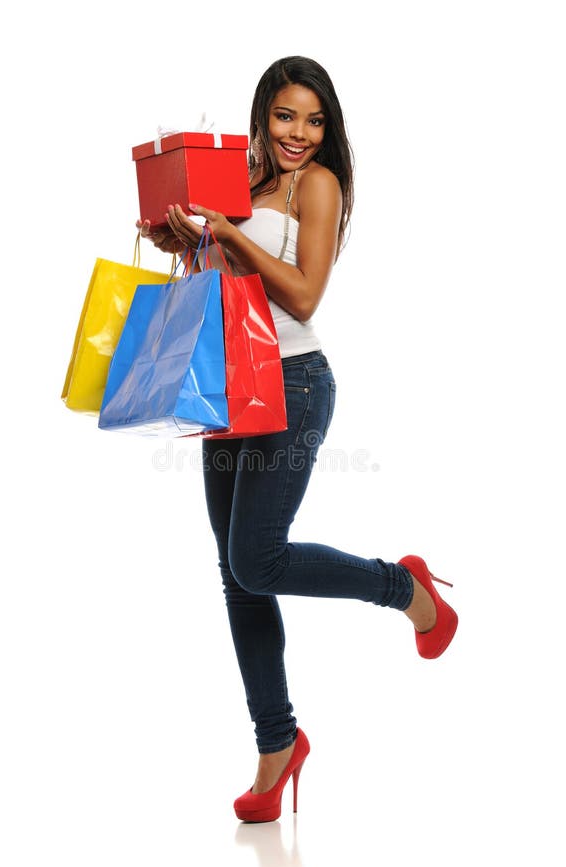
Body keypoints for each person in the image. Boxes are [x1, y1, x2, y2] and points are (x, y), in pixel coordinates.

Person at [138, 55, 458, 823]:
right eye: (286, 117)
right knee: (237, 573)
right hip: (230, 383)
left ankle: (405, 587)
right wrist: (181, 238)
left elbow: (304, 290)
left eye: (314, 121)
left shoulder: (319, 185)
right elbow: (222, 276)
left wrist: (232, 236)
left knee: (258, 556)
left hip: (294, 384)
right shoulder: (240, 180)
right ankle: (278, 745)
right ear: (263, 116)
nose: (299, 134)